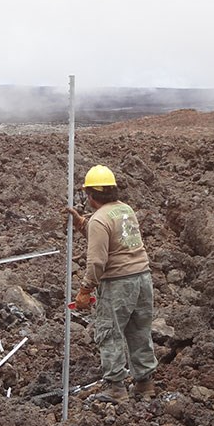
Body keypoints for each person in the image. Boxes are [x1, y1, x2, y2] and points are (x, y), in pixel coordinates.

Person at [66, 165, 158, 403]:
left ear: (91, 194)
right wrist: (83, 224)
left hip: (118, 283)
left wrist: (85, 290)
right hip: (143, 279)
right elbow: (117, 236)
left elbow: (97, 261)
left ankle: (116, 388)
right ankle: (145, 383)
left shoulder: (99, 219)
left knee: (110, 333)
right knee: (139, 330)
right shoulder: (125, 209)